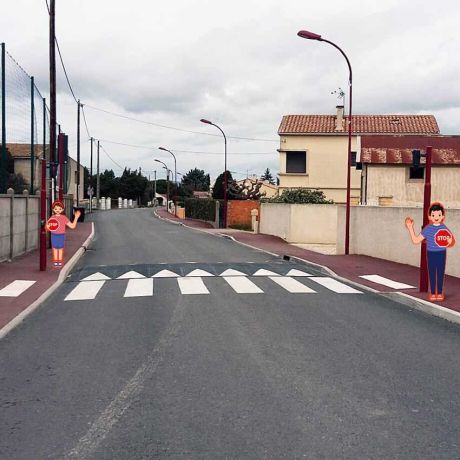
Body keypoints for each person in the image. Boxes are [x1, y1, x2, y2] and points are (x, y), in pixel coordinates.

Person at [405, 202, 455, 301]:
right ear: (430, 216)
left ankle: (439, 293)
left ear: (442, 216)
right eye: (433, 215)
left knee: (440, 273)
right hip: (431, 253)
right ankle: (433, 293)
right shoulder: (428, 229)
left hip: (441, 252)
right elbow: (416, 240)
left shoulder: (444, 228)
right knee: (432, 273)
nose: (436, 217)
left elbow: (451, 241)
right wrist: (410, 228)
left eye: (439, 215)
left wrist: (450, 242)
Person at [46, 200, 81, 268]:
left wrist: (76, 217)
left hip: (61, 235)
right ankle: (56, 262)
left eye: (59, 209)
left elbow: (72, 226)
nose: (58, 210)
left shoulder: (63, 218)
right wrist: (47, 227)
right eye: (56, 209)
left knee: (60, 248)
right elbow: (48, 226)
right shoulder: (52, 218)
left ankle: (59, 262)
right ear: (53, 209)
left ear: (62, 209)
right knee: (56, 248)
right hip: (54, 235)